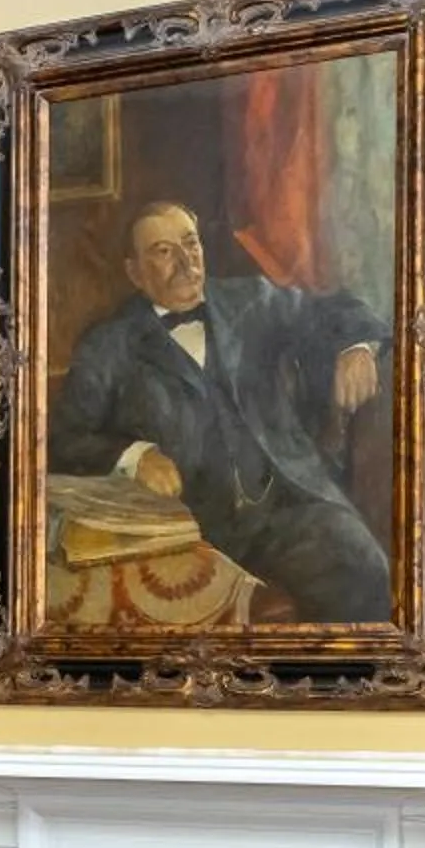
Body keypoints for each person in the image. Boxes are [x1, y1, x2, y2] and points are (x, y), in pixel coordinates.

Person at [49, 200, 393, 623]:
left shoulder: (250, 301)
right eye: (162, 251)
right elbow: (63, 440)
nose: (185, 261)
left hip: (288, 509)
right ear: (135, 273)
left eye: (191, 244)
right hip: (192, 527)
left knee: (365, 569)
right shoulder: (108, 346)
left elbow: (336, 310)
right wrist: (135, 456)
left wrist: (358, 347)